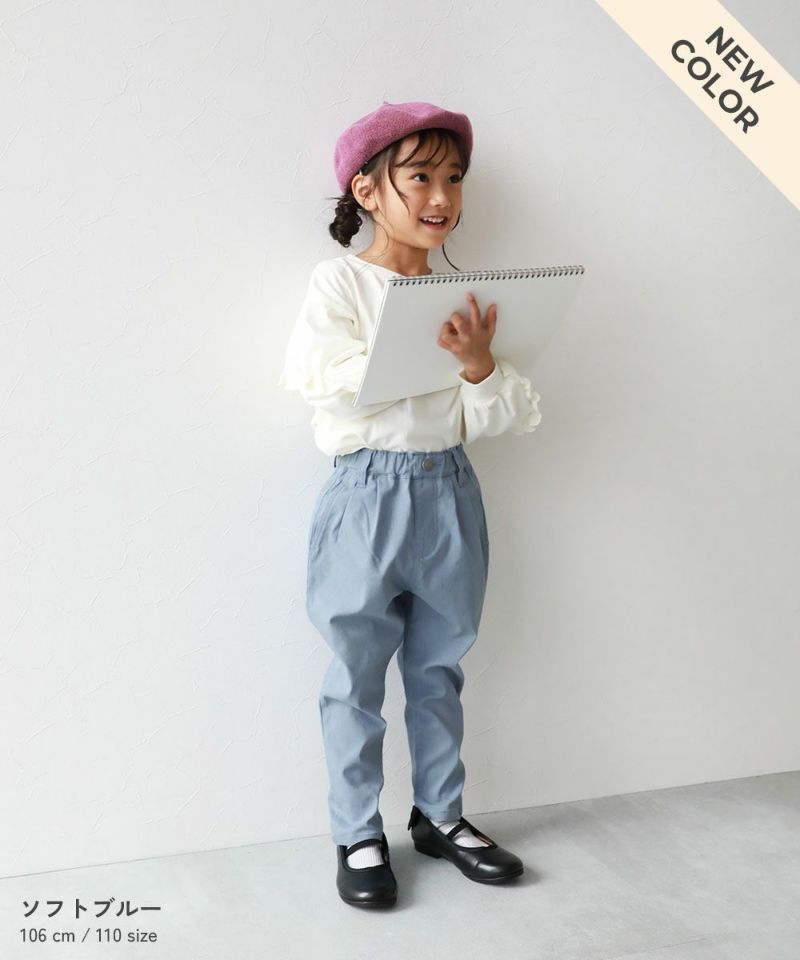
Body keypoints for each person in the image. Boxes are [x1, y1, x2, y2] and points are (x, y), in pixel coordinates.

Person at [278, 100, 538, 908]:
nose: (441, 196)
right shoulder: (341, 282)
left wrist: (477, 366)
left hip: (450, 489)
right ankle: (358, 830)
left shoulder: (461, 299)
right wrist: (434, 360)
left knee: (437, 668)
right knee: (355, 673)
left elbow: (504, 415)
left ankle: (441, 815)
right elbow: (324, 381)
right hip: (366, 493)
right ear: (367, 189)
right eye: (419, 176)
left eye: (454, 178)